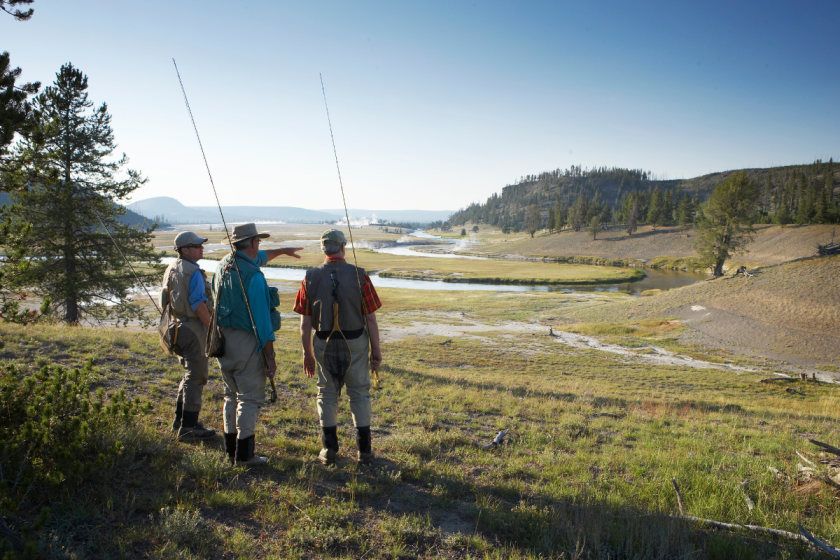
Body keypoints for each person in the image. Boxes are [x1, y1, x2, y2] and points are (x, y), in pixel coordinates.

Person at [213, 223, 302, 465]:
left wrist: (283, 250)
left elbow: (260, 257)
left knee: (230, 395)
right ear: (253, 242)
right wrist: (270, 358)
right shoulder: (253, 277)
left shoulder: (223, 265)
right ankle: (244, 456)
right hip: (246, 343)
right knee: (249, 398)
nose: (259, 246)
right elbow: (263, 324)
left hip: (223, 340)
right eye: (258, 242)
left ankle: (230, 451)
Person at [294, 229, 383, 465]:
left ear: (324, 249)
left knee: (326, 392)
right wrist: (376, 351)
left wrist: (307, 353)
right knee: (359, 393)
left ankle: (329, 449)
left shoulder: (310, 277)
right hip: (355, 342)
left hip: (323, 342)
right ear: (343, 247)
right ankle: (364, 451)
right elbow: (371, 319)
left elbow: (304, 322)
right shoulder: (360, 276)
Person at [161, 231, 216, 440]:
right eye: (197, 245)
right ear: (185, 250)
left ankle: (180, 420)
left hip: (174, 327)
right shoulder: (193, 272)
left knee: (188, 374)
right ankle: (189, 427)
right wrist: (212, 330)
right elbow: (199, 305)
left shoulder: (171, 268)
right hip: (193, 329)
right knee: (197, 376)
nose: (201, 248)